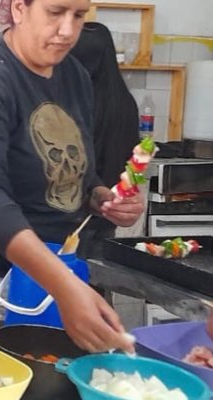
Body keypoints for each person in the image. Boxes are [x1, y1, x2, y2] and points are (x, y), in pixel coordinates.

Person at [0, 0, 145, 353]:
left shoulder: (73, 75)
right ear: (17, 8)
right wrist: (63, 285)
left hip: (51, 279)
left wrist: (101, 196)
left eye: (78, 16)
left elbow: (78, 174)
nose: (68, 30)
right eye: (56, 13)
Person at [69, 21, 140, 257]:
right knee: (95, 279)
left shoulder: (74, 101)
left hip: (73, 215)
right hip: (110, 211)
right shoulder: (126, 101)